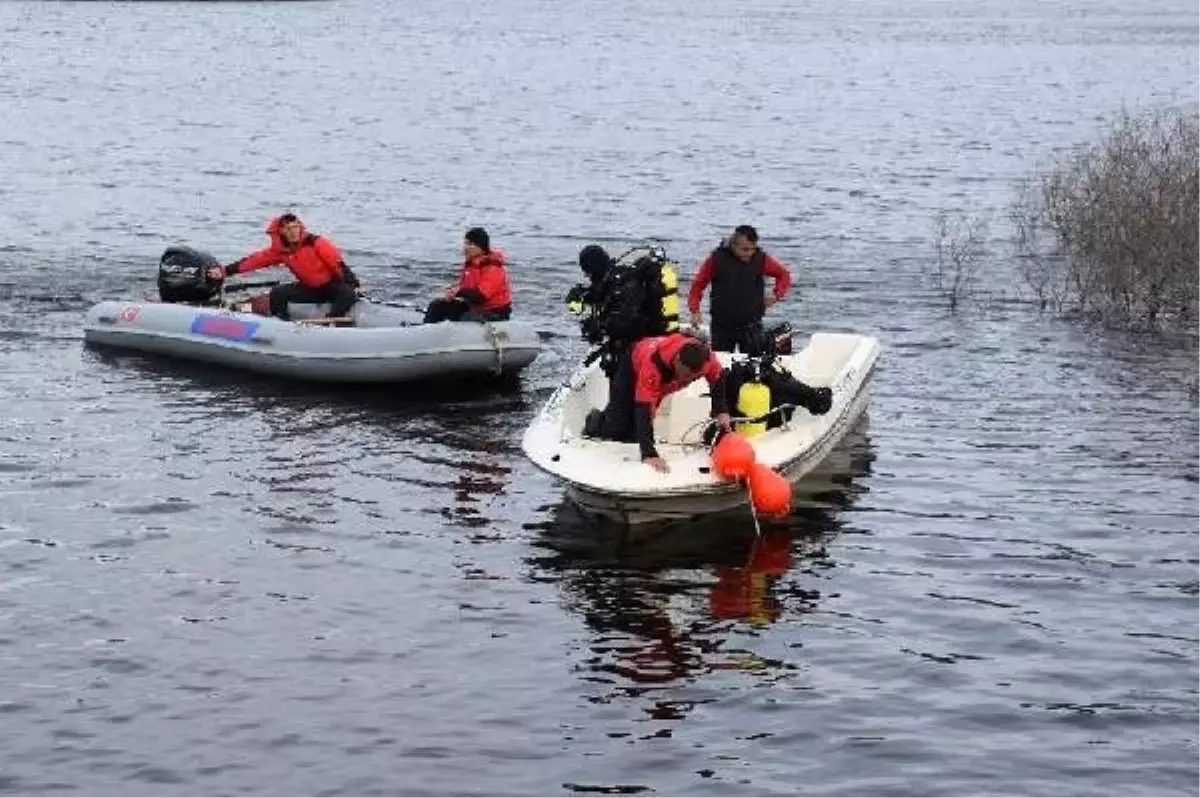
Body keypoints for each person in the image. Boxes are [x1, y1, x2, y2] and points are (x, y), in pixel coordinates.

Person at [584, 333, 731, 473]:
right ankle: (595, 420)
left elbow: (718, 379)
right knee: (617, 427)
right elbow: (644, 408)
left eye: (693, 378)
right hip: (633, 365)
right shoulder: (653, 364)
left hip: (664, 381)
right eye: (685, 375)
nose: (686, 380)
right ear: (677, 360)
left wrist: (721, 411)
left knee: (635, 435)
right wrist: (649, 454)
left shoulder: (707, 360)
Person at [207, 213, 361, 321]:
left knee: (347, 293)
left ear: (300, 227)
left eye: (295, 227)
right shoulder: (280, 252)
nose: (293, 232)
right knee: (278, 293)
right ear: (281, 231)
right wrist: (224, 271)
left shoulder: (316, 242)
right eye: (288, 229)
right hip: (310, 289)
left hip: (332, 286)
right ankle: (280, 322)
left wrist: (353, 284)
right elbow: (252, 262)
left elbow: (338, 264)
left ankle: (331, 321)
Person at [686, 224, 792, 355]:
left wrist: (776, 295)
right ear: (733, 244)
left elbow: (784, 275)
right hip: (722, 324)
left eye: (753, 249)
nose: (750, 253)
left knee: (753, 362)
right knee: (721, 362)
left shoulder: (761, 259)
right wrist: (695, 310)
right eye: (745, 249)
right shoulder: (717, 259)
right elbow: (698, 284)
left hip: (752, 323)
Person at [423, 227, 513, 323]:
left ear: (481, 247)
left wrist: (459, 292)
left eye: (470, 244)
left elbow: (481, 296)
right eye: (465, 243)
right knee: (438, 305)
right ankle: (425, 329)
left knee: (463, 318)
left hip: (494, 312)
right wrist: (452, 292)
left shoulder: (493, 268)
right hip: (475, 307)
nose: (466, 247)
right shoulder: (471, 265)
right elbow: (465, 287)